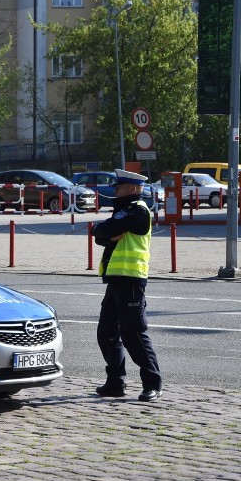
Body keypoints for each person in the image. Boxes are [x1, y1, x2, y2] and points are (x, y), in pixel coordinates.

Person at [92, 169, 161, 401]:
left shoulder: (137, 211)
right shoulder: (124, 211)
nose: (115, 190)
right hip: (115, 279)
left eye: (119, 186)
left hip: (131, 279)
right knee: (106, 333)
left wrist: (108, 231)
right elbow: (101, 233)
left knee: (134, 334)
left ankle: (152, 382)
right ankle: (115, 382)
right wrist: (106, 232)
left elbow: (107, 230)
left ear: (132, 188)